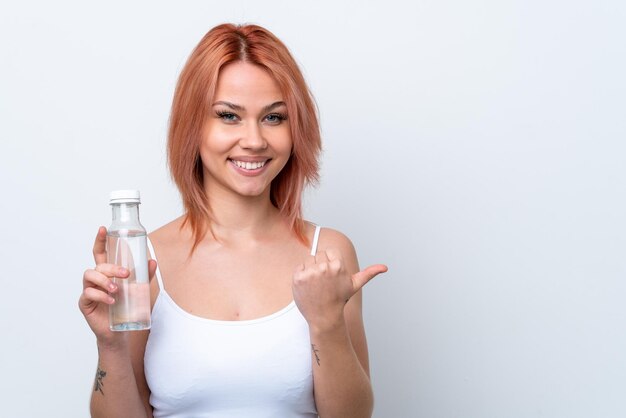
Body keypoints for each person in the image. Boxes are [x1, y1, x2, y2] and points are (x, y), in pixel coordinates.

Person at [79, 23, 387, 418]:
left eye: (274, 118)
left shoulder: (327, 253)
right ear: (193, 125)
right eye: (229, 116)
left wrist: (326, 324)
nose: (255, 140)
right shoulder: (145, 259)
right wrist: (110, 345)